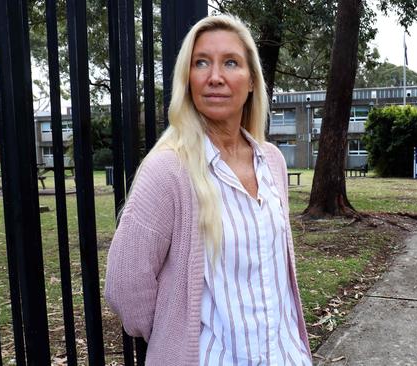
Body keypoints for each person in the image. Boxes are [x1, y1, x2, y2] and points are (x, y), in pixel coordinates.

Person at [105, 14, 312, 365]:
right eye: (201, 63)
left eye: (230, 63)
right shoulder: (168, 170)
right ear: (188, 80)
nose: (215, 77)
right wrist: (174, 329)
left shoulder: (272, 161)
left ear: (251, 82)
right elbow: (126, 287)